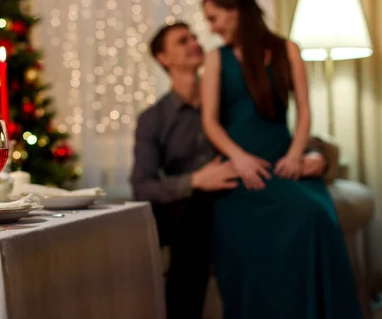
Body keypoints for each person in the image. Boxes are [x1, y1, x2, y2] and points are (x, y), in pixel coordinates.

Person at [130, 22, 328, 319]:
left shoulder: (227, 100)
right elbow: (141, 185)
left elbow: (272, 136)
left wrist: (315, 153)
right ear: (163, 58)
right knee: (190, 222)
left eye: (194, 37)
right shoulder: (153, 119)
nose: (195, 42)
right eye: (182, 41)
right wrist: (197, 180)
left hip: (234, 194)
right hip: (188, 205)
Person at [200, 0, 362, 318]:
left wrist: (295, 155)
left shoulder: (288, 49)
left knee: (315, 215)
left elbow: (304, 111)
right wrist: (240, 159)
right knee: (244, 229)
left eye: (214, 18)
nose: (212, 29)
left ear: (235, 10)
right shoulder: (216, 60)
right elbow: (210, 123)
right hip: (242, 170)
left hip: (283, 160)